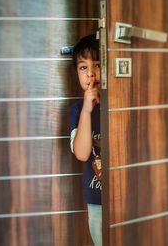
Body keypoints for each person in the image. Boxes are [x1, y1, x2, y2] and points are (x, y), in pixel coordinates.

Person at [69, 34, 102, 246]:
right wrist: (87, 111)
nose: (91, 73)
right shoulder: (77, 110)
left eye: (97, 65)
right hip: (96, 198)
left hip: (126, 192)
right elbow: (81, 153)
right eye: (83, 67)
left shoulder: (119, 102)